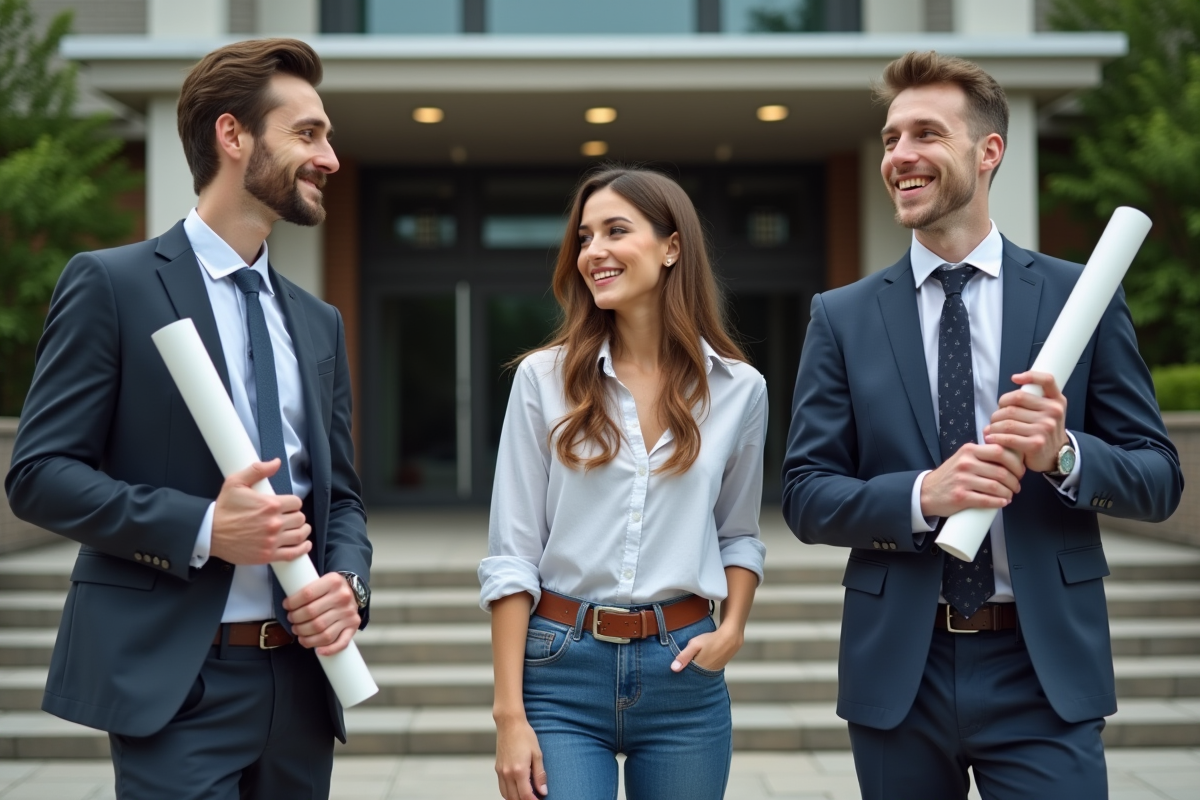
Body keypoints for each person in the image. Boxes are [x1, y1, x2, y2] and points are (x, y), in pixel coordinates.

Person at [782, 51, 1183, 799]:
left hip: (1042, 670)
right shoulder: (842, 317)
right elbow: (805, 493)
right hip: (901, 671)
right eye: (891, 138)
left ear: (988, 150)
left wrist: (1064, 454)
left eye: (926, 134)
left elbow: (1159, 480)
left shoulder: (1079, 299)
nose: (900, 155)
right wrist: (921, 496)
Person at [5, 39, 371, 799]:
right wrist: (204, 527)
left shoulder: (319, 322)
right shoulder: (112, 285)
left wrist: (348, 583)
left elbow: (341, 497)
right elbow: (38, 475)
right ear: (233, 135)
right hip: (178, 685)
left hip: (303, 688)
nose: (330, 158)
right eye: (307, 134)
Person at [479, 167, 767, 800]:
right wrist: (509, 716)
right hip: (559, 671)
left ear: (671, 248)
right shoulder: (542, 380)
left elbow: (738, 533)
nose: (593, 252)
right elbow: (512, 555)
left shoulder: (740, 389)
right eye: (584, 238)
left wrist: (733, 628)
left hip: (684, 673)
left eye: (615, 231)